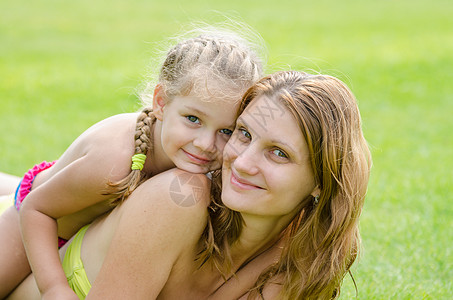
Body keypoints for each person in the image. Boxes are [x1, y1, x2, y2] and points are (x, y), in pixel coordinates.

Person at [7, 70, 371, 299]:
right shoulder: (178, 198)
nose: (240, 162)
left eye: (277, 153)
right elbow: (38, 208)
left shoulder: (308, 249)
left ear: (321, 182)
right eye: (243, 134)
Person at [0, 25, 264, 299]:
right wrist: (54, 287)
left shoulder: (198, 159)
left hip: (84, 230)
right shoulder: (114, 161)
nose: (206, 144)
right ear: (161, 103)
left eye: (226, 131)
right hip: (30, 223)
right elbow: (37, 209)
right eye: (193, 119)